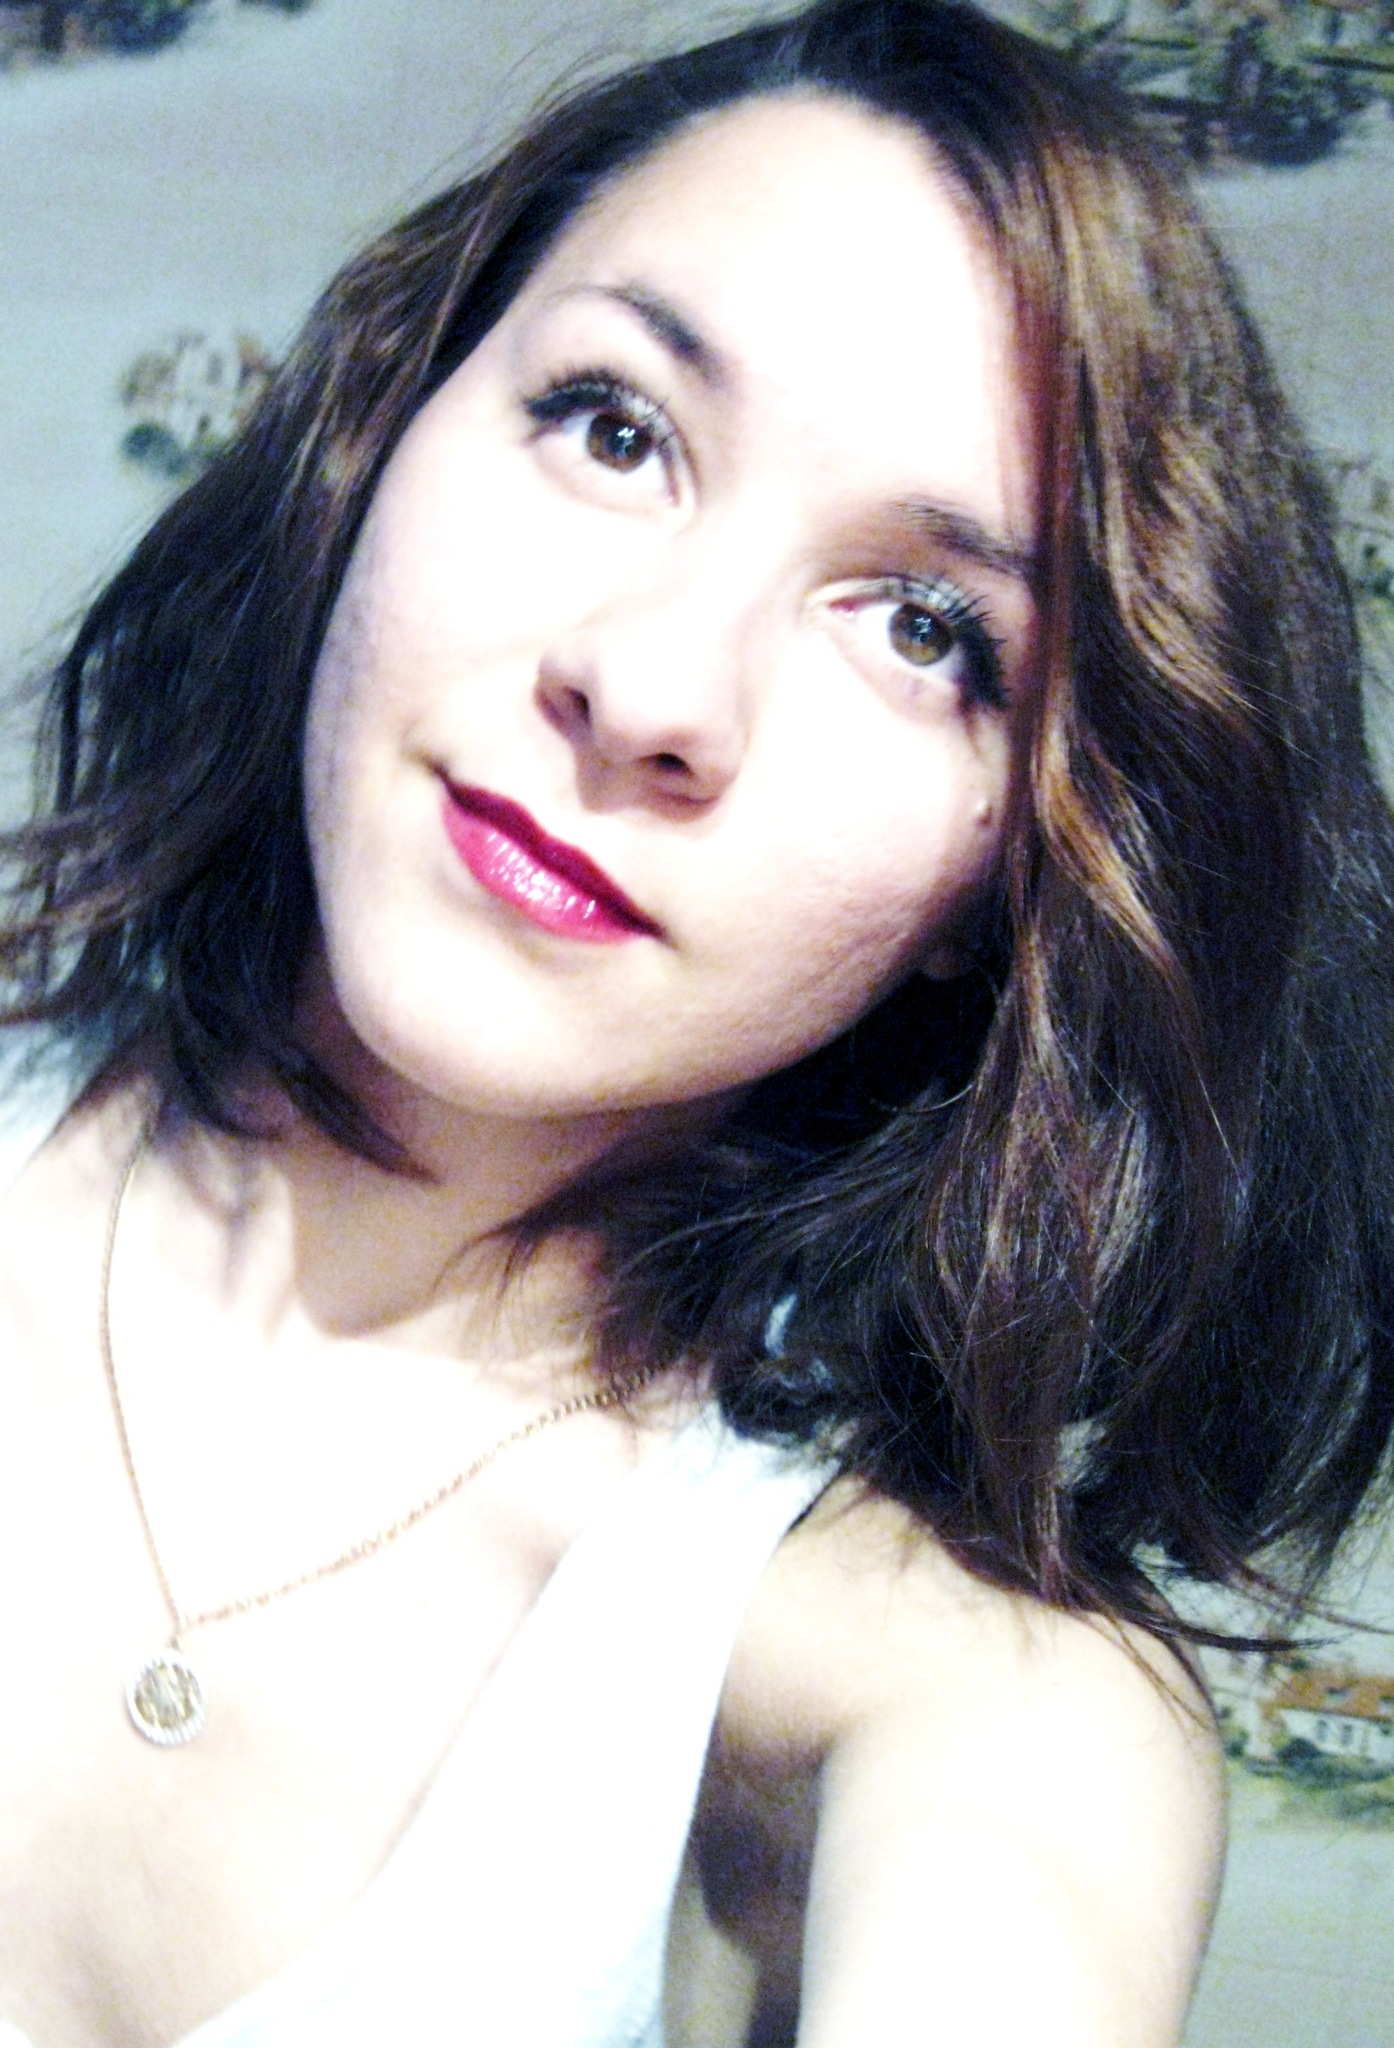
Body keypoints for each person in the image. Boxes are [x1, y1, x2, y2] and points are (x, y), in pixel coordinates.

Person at [1, 1, 1392, 2041]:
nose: (652, 688)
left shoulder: (939, 1697)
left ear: (1013, 875)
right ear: (383, 434)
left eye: (923, 629)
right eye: (613, 427)